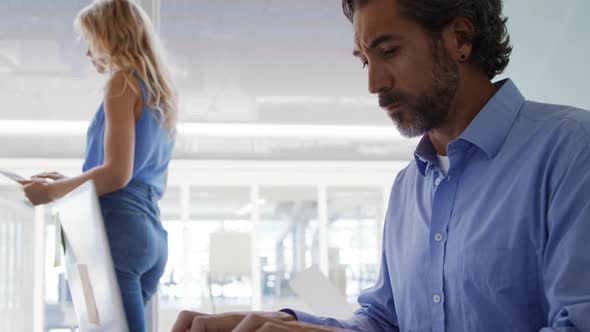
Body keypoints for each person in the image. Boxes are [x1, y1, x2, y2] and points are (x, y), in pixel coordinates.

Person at [171, 0, 590, 331]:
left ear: (460, 38)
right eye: (365, 61)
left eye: (389, 51)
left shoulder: (571, 151)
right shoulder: (409, 188)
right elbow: (385, 322)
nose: (374, 84)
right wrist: (283, 326)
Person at [20, 0, 177, 331]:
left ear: (111, 37)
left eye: (90, 40)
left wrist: (48, 192)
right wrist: (71, 182)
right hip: (150, 234)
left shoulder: (122, 83)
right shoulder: (160, 91)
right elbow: (137, 178)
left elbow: (116, 176)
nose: (88, 53)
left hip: (118, 230)